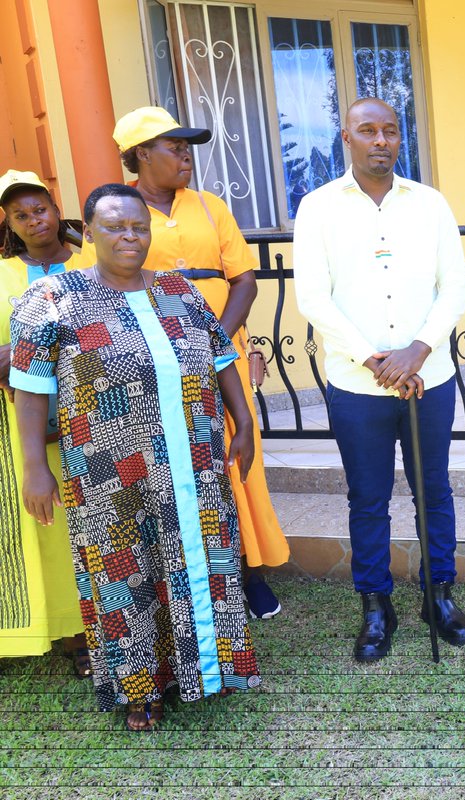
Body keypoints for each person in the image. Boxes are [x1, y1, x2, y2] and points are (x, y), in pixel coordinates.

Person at [10, 183, 261, 730]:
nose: (130, 236)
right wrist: (34, 466)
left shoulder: (179, 290)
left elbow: (219, 357)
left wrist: (243, 422)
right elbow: (28, 387)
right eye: (115, 227)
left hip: (194, 462)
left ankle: (206, 670)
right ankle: (138, 688)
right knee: (122, 573)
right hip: (107, 471)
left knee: (201, 557)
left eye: (139, 227)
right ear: (88, 232)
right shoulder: (52, 299)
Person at [294, 97, 465, 661]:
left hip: (429, 377)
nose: (380, 140)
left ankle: (438, 594)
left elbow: (456, 287)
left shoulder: (430, 203)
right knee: (368, 498)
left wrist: (418, 350)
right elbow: (313, 298)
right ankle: (376, 605)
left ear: (400, 138)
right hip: (357, 385)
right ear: (346, 138)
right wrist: (375, 360)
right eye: (367, 130)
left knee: (433, 490)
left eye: (390, 131)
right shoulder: (318, 208)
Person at [99, 106, 289, 619]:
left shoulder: (210, 205)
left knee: (237, 451)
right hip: (155, 358)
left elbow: (243, 279)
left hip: (221, 349)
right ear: (141, 154)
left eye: (188, 148)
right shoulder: (118, 209)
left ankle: (250, 570)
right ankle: (196, 572)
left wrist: (215, 343)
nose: (186, 156)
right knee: (179, 460)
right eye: (175, 147)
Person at [0, 170, 87, 674]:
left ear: (56, 209)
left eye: (40, 209)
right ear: (10, 224)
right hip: (27, 420)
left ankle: (94, 627)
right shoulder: (3, 276)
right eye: (21, 215)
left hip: (94, 418)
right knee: (49, 526)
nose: (34, 220)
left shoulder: (92, 261)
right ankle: (65, 629)